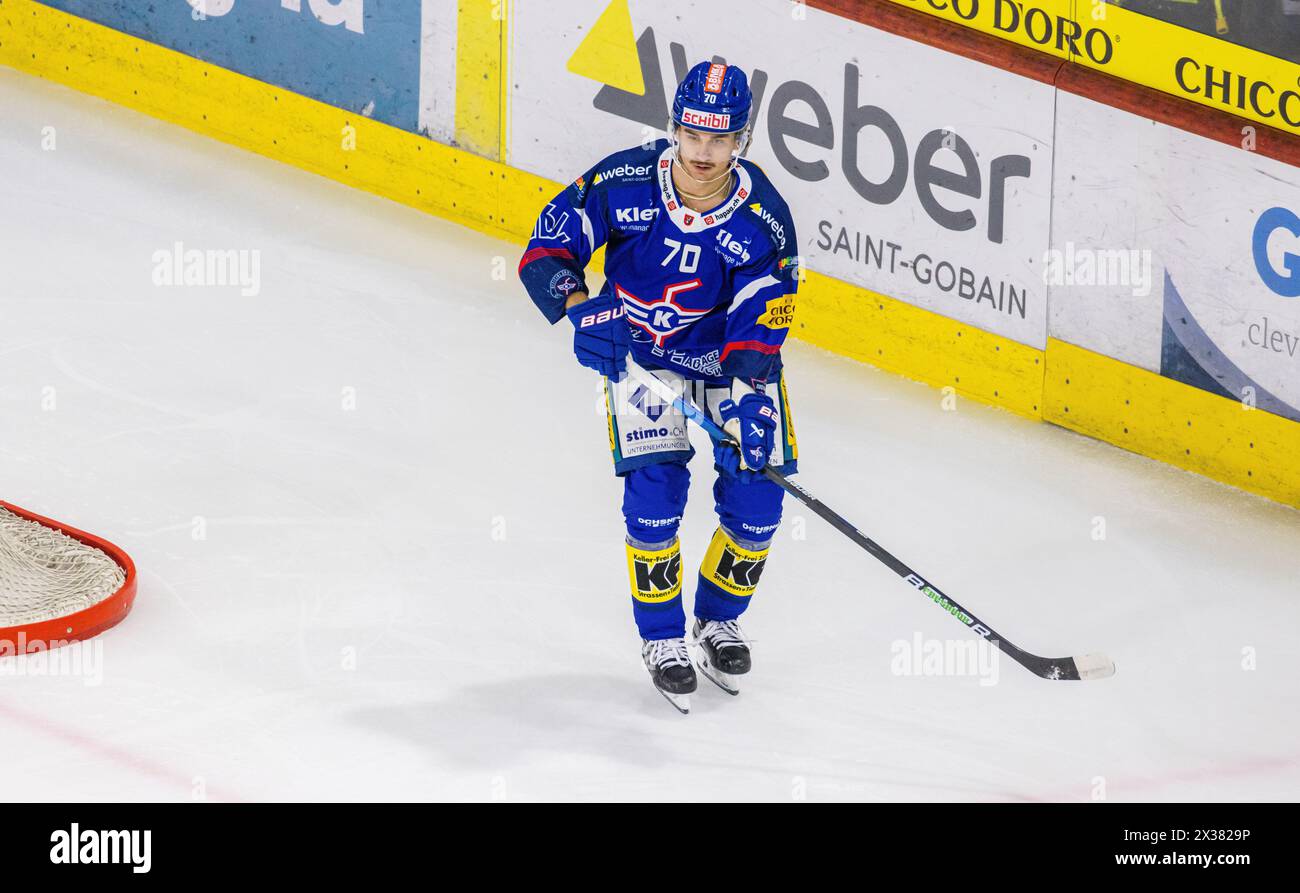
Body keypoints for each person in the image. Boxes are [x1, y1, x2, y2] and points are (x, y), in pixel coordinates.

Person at [517, 61, 801, 713]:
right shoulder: (625, 182)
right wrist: (580, 305)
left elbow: (764, 308)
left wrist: (753, 392)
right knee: (656, 493)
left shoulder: (764, 218)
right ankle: (663, 637)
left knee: (759, 501)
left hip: (728, 365)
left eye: (719, 139)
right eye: (692, 135)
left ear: (741, 141)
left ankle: (719, 619)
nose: (703, 154)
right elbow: (548, 245)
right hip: (641, 360)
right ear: (674, 127)